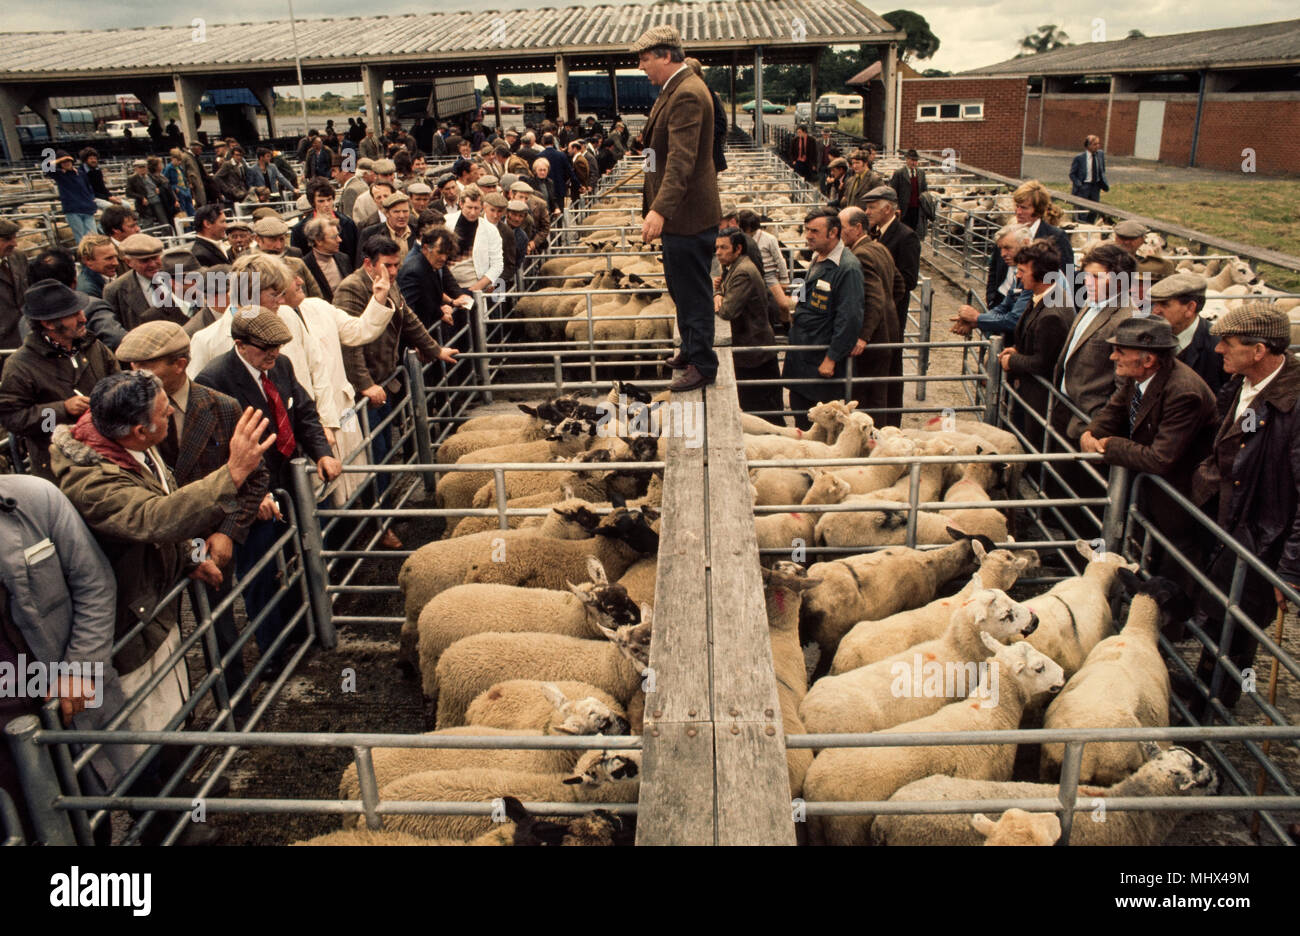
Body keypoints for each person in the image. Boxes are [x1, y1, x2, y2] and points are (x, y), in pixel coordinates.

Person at [49, 370, 273, 816]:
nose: (171, 411)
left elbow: (164, 507)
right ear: (139, 430)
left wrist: (191, 556)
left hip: (155, 602)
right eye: (162, 411)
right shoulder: (91, 480)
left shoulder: (132, 450)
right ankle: (160, 822)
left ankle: (182, 788)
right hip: (128, 620)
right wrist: (232, 473)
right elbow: (151, 517)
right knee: (142, 726)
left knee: (172, 703)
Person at [114, 321, 270, 719]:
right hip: (153, 545)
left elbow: (255, 478)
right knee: (162, 637)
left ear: (180, 364)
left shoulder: (220, 406)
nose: (134, 377)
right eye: (129, 368)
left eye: (144, 368)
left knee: (219, 625)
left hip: (209, 539)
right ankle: (179, 728)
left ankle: (236, 713)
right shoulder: (122, 413)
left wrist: (228, 531)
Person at [194, 308, 339, 669]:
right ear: (240, 345)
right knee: (259, 569)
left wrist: (322, 453)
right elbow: (214, 449)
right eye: (265, 348)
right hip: (248, 495)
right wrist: (249, 492)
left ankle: (300, 629)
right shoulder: (214, 380)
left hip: (287, 481)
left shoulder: (282, 366)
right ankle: (273, 654)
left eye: (278, 346)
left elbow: (302, 411)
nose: (273, 354)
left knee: (297, 554)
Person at [0, 473, 128, 841]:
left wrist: (81, 669)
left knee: (85, 814)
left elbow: (95, 583)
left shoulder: (35, 498)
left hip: (57, 706)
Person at [1188, 300, 1300, 713]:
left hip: (1263, 529)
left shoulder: (1293, 405)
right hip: (1231, 516)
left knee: (1240, 618)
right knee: (1221, 609)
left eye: (1228, 343)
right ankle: (1207, 684)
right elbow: (1230, 439)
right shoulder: (1242, 384)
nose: (1218, 351)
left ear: (1259, 350)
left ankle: (1220, 698)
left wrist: (1290, 567)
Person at [336, 235, 458, 519]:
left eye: (396, 265)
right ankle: (378, 517)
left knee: (385, 446)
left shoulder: (388, 284)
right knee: (372, 451)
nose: (393, 271)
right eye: (387, 265)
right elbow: (350, 341)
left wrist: (435, 349)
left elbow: (408, 317)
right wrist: (365, 384)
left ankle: (384, 508)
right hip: (362, 390)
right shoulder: (351, 290)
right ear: (368, 263)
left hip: (384, 379)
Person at [635, 24, 723, 393]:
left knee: (693, 290)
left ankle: (704, 362)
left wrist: (660, 210)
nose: (641, 67)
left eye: (645, 59)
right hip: (680, 217)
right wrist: (648, 190)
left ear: (666, 56)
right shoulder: (671, 91)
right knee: (680, 287)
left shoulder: (687, 93)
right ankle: (689, 348)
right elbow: (657, 151)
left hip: (688, 217)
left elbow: (682, 163)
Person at [0, 280, 120, 479]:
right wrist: (62, 410)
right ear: (48, 324)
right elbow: (13, 419)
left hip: (109, 450)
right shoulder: (20, 366)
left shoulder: (93, 345)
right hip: (61, 466)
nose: (83, 318)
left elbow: (117, 380)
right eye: (73, 314)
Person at [782, 209, 864, 429]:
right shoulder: (817, 257)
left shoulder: (847, 268)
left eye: (815, 231)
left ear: (833, 233)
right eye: (807, 230)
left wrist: (832, 357)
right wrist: (794, 304)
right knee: (800, 414)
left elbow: (849, 318)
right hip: (803, 352)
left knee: (823, 423)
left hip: (821, 360)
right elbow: (804, 290)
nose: (808, 235)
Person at [1051, 243, 1135, 444]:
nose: (1087, 282)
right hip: (1063, 407)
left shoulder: (1125, 319)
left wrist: (1098, 427)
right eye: (1086, 275)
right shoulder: (1091, 302)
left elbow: (1124, 386)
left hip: (1088, 422)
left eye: (1096, 277)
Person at [995, 240, 1072, 441]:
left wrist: (1011, 361)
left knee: (1029, 446)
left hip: (1038, 401)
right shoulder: (1042, 296)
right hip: (1029, 393)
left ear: (1042, 275)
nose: (1017, 275)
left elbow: (1043, 362)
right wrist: (1016, 350)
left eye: (1022, 271)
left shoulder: (1052, 314)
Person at [840, 207, 904, 428]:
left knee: (870, 393)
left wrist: (864, 335)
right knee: (882, 389)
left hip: (875, 337)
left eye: (842, 228)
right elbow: (899, 286)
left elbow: (873, 298)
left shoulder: (861, 255)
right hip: (889, 330)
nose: (839, 233)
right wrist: (889, 311)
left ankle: (874, 442)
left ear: (858, 228)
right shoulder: (880, 248)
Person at [713, 228, 780, 414]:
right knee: (755, 406)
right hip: (753, 350)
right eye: (717, 247)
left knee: (764, 411)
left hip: (755, 353)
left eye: (724, 248)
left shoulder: (743, 272)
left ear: (738, 248)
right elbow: (721, 289)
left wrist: (717, 297)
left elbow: (727, 310)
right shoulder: (733, 267)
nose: (718, 252)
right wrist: (718, 293)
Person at [987, 180, 1074, 309]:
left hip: (1031, 305)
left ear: (1038, 210)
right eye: (1017, 206)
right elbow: (994, 266)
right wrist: (991, 297)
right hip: (1001, 299)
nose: (1018, 212)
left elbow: (1067, 275)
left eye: (1024, 208)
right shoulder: (1009, 231)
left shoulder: (1055, 237)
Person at [27, 246, 126, 351]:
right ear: (74, 281)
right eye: (75, 313)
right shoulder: (92, 306)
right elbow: (119, 340)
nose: (82, 318)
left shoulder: (28, 317)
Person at [951, 225, 1033, 339]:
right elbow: (1004, 306)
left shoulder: (1036, 273)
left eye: (1008, 248)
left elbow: (1016, 319)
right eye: (1001, 249)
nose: (1003, 254)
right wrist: (975, 320)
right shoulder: (1018, 272)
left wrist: (977, 318)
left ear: (1026, 243)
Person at [1149, 272, 1224, 395]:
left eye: (1164, 304)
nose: (1155, 311)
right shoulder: (1147, 334)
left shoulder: (1217, 348)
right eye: (1154, 303)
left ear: (1190, 308)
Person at [862, 185, 920, 328]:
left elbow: (909, 280)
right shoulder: (871, 232)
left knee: (889, 348)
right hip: (872, 307)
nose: (867, 212)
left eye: (871, 208)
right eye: (867, 207)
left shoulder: (906, 237)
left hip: (891, 310)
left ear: (887, 209)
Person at [103, 233, 188, 331]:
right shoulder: (114, 290)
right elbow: (115, 329)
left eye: (156, 258)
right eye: (145, 261)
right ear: (128, 262)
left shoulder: (178, 274)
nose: (152, 264)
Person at [444, 186, 504, 293]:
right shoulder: (446, 222)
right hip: (446, 284)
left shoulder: (490, 230)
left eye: (476, 208)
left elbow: (497, 264)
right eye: (469, 207)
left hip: (473, 285)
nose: (472, 212)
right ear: (461, 204)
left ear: (482, 207)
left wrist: (478, 286)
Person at [293, 179, 360, 263]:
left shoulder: (347, 224)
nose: (327, 204)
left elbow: (356, 255)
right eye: (321, 201)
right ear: (312, 202)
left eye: (329, 199)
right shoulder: (299, 230)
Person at [253, 216, 320, 298]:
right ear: (258, 239)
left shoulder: (297, 261)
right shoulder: (246, 265)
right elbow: (238, 305)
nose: (279, 246)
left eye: (282, 239)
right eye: (273, 240)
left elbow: (316, 296)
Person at [45, 151, 99, 243]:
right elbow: (46, 167)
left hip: (87, 208)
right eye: (63, 162)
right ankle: (84, 255)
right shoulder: (59, 175)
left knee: (94, 235)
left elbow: (88, 187)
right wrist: (57, 161)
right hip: (73, 210)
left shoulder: (81, 173)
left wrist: (92, 198)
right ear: (59, 164)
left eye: (68, 161)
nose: (67, 163)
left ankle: (94, 254)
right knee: (81, 237)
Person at [301, 217, 353, 303]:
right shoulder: (305, 265)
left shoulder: (343, 258)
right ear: (318, 241)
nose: (340, 240)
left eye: (338, 235)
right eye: (334, 237)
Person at [357, 191, 413, 264]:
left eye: (405, 211)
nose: (402, 216)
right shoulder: (370, 234)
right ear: (387, 213)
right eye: (396, 212)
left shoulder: (417, 231)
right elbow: (361, 264)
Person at [0, 220, 30, 349]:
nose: (14, 244)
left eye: (14, 238)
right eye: (7, 239)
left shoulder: (18, 257)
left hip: (27, 333)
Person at [1069, 135, 1108, 221]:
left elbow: (1102, 169)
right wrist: (1079, 184)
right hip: (1084, 187)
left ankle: (1090, 226)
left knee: (1094, 209)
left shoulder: (1100, 154)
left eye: (1098, 144)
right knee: (1082, 210)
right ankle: (1080, 225)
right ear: (1088, 146)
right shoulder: (1079, 158)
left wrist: (1101, 182)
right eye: (1095, 144)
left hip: (1095, 187)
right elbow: (1072, 174)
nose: (1097, 146)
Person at [890, 149, 928, 232]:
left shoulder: (921, 173)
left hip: (917, 208)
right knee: (903, 229)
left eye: (916, 160)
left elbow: (924, 190)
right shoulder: (899, 173)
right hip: (904, 208)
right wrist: (897, 207)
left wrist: (924, 204)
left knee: (914, 229)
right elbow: (893, 191)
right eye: (912, 160)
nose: (914, 163)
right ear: (906, 159)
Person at [76, 233, 121, 300]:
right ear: (88, 260)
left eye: (116, 257)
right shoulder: (88, 292)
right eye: (109, 258)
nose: (116, 263)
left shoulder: (105, 277)